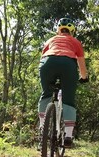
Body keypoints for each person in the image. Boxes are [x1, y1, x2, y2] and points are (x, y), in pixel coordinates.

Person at [38, 17, 88, 147]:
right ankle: (68, 136)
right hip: (67, 65)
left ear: (58, 31)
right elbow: (81, 64)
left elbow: (42, 58)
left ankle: (42, 130)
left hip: (47, 63)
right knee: (68, 100)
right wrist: (84, 77)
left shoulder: (51, 40)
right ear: (72, 31)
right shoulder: (75, 41)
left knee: (46, 94)